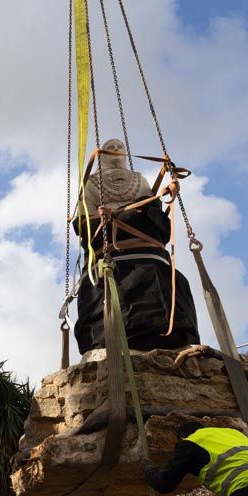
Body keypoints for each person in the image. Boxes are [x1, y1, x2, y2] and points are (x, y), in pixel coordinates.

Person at [73, 138, 200, 354]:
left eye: (119, 147)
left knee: (172, 279)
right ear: (101, 155)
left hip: (147, 247)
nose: (114, 150)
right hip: (108, 240)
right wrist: (110, 215)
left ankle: (171, 332)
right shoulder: (91, 183)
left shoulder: (138, 179)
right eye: (110, 148)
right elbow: (84, 217)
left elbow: (151, 206)